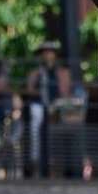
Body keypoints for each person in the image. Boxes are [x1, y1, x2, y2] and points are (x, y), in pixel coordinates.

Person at [25, 41, 72, 174]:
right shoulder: (35, 73)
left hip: (58, 105)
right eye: (44, 52)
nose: (47, 55)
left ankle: (62, 164)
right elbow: (29, 90)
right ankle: (36, 159)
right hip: (40, 106)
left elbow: (66, 92)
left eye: (50, 52)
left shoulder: (63, 72)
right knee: (36, 117)